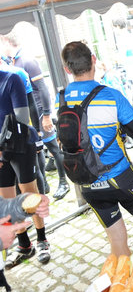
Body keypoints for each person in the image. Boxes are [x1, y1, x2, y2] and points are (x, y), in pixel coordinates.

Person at [57, 41, 133, 256]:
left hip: (87, 182)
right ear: (94, 60)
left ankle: (125, 284)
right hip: (120, 177)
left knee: (116, 237)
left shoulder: (62, 99)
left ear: (67, 69)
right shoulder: (111, 95)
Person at [0, 34, 70, 200]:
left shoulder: (26, 63)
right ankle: (43, 187)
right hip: (24, 124)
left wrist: (45, 115)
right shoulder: (15, 63)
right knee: (38, 156)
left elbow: (42, 90)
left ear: (7, 41)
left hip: (37, 115)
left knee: (52, 147)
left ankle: (63, 182)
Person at [0, 70, 51, 268]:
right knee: (7, 200)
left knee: (29, 194)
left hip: (20, 145)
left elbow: (21, 117)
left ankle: (42, 240)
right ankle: (24, 245)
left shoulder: (11, 79)